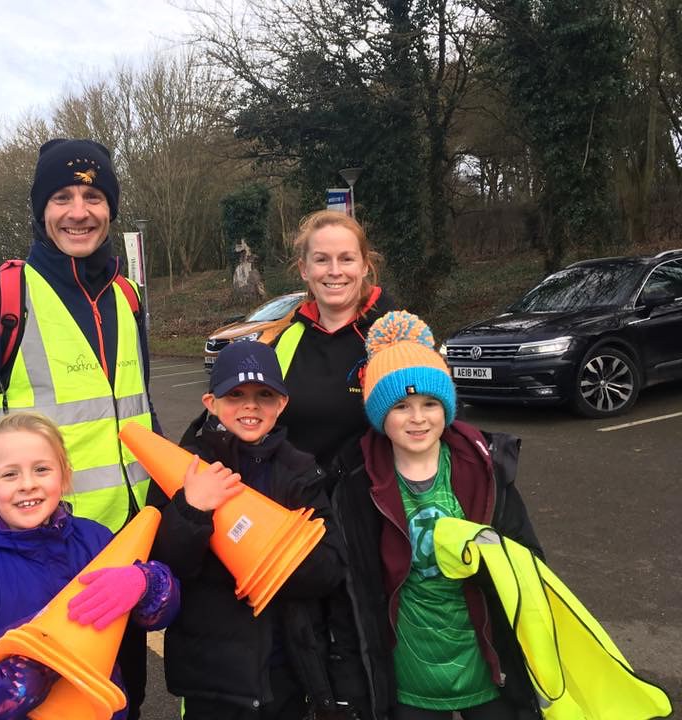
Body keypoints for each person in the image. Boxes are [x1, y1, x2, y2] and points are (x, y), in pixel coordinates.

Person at [0, 138, 158, 717]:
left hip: (119, 555)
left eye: (94, 196)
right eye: (62, 196)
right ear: (40, 210)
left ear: (111, 209)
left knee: (122, 699)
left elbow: (139, 417)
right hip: (34, 561)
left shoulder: (128, 297)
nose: (79, 211)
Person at [335, 310, 543, 720]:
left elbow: (529, 560)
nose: (417, 418)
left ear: (446, 406)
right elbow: (352, 591)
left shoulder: (486, 471)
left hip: (489, 667)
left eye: (430, 403)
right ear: (379, 414)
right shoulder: (357, 486)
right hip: (409, 678)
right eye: (401, 405)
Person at [0, 412, 179, 720]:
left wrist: (146, 582)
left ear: (64, 477)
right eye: (9, 474)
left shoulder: (95, 541)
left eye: (42, 469)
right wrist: (41, 663)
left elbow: (160, 614)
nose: (28, 484)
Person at [147, 340, 349, 720]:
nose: (250, 406)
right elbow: (163, 568)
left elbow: (332, 566)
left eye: (264, 395)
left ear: (282, 404)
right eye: (235, 394)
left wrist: (269, 558)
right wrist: (191, 509)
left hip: (285, 671)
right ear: (210, 402)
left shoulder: (301, 473)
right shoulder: (181, 469)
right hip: (213, 676)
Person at [273, 209, 398, 482]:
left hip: (373, 514)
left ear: (364, 266)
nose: (334, 271)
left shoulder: (397, 337)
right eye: (321, 259)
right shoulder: (285, 343)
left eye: (346, 259)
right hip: (298, 511)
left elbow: (434, 424)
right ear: (304, 270)